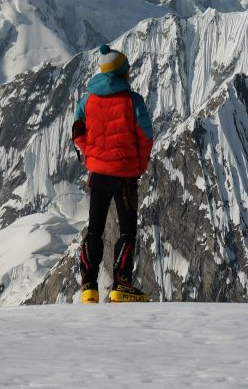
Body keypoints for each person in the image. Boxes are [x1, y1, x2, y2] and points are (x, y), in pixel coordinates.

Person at [72, 44, 153, 303]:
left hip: (97, 175)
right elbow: (146, 137)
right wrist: (138, 167)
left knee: (94, 229)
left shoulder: (87, 100)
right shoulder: (133, 101)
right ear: (120, 73)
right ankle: (122, 285)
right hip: (125, 177)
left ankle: (89, 286)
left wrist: (90, 156)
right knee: (127, 230)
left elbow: (77, 131)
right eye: (127, 69)